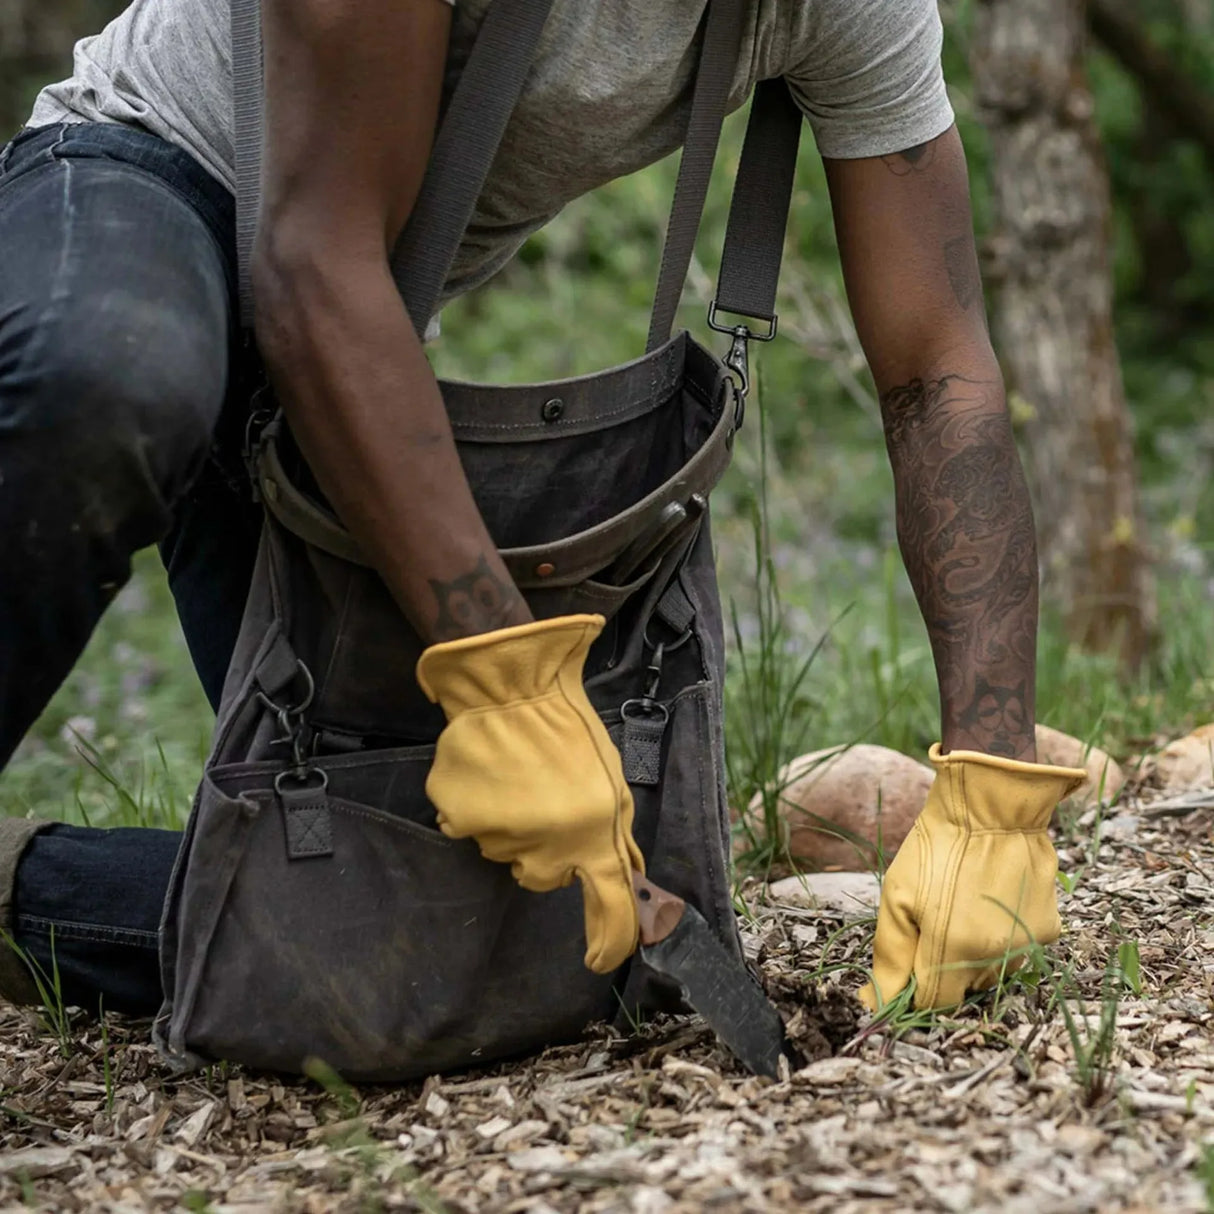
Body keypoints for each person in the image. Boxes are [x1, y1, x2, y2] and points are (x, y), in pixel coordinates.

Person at [0, 0, 1086, 1025]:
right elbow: (307, 261)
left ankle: (21, 885)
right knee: (104, 383)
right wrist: (500, 670)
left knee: (497, 936)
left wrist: (994, 786)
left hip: (336, 337)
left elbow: (933, 368)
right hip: (151, 183)